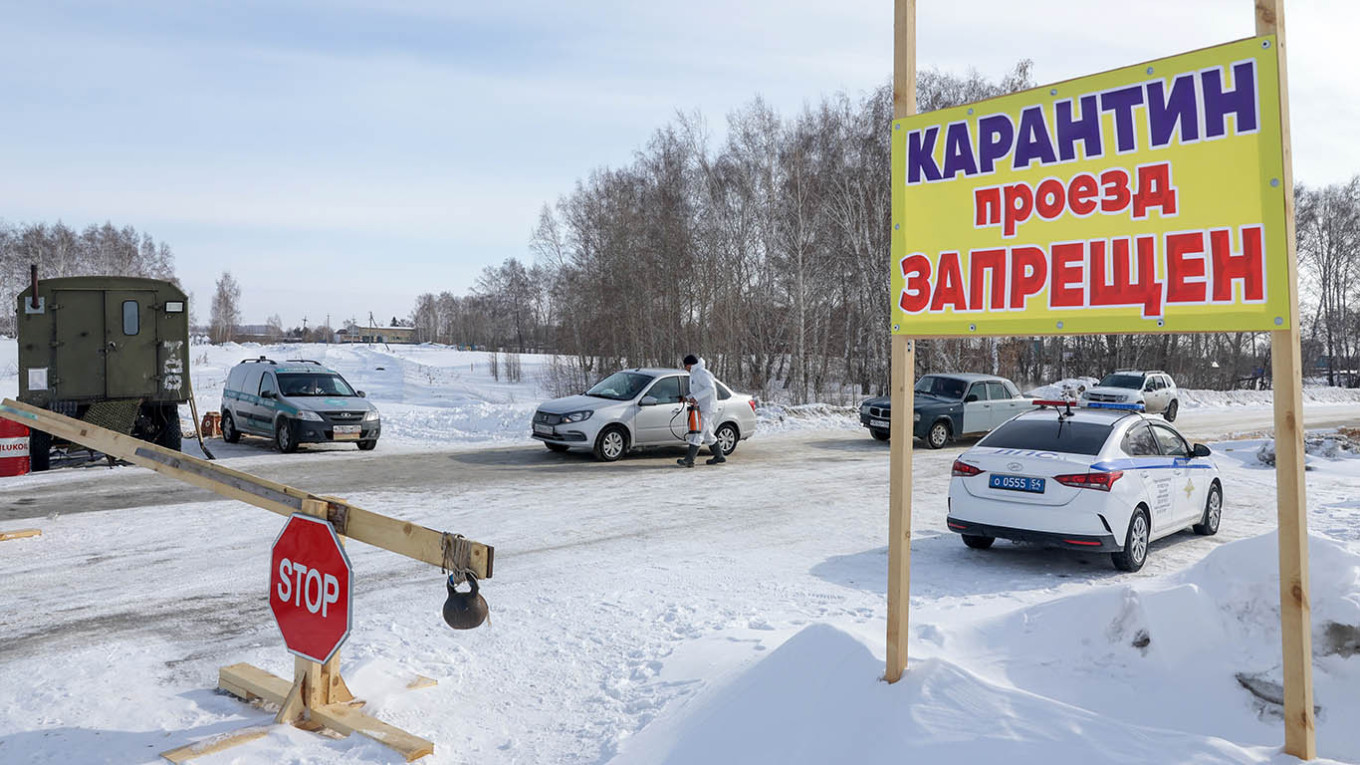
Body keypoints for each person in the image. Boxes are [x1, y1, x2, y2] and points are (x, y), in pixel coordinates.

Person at [677, 354, 725, 467]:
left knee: (697, 433)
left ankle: (689, 459)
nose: (685, 368)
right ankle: (719, 456)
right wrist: (687, 398)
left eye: (685, 366)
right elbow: (697, 391)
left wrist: (696, 398)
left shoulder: (702, 374)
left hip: (707, 408)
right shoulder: (694, 374)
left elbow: (710, 388)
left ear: (690, 365)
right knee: (708, 434)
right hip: (701, 408)